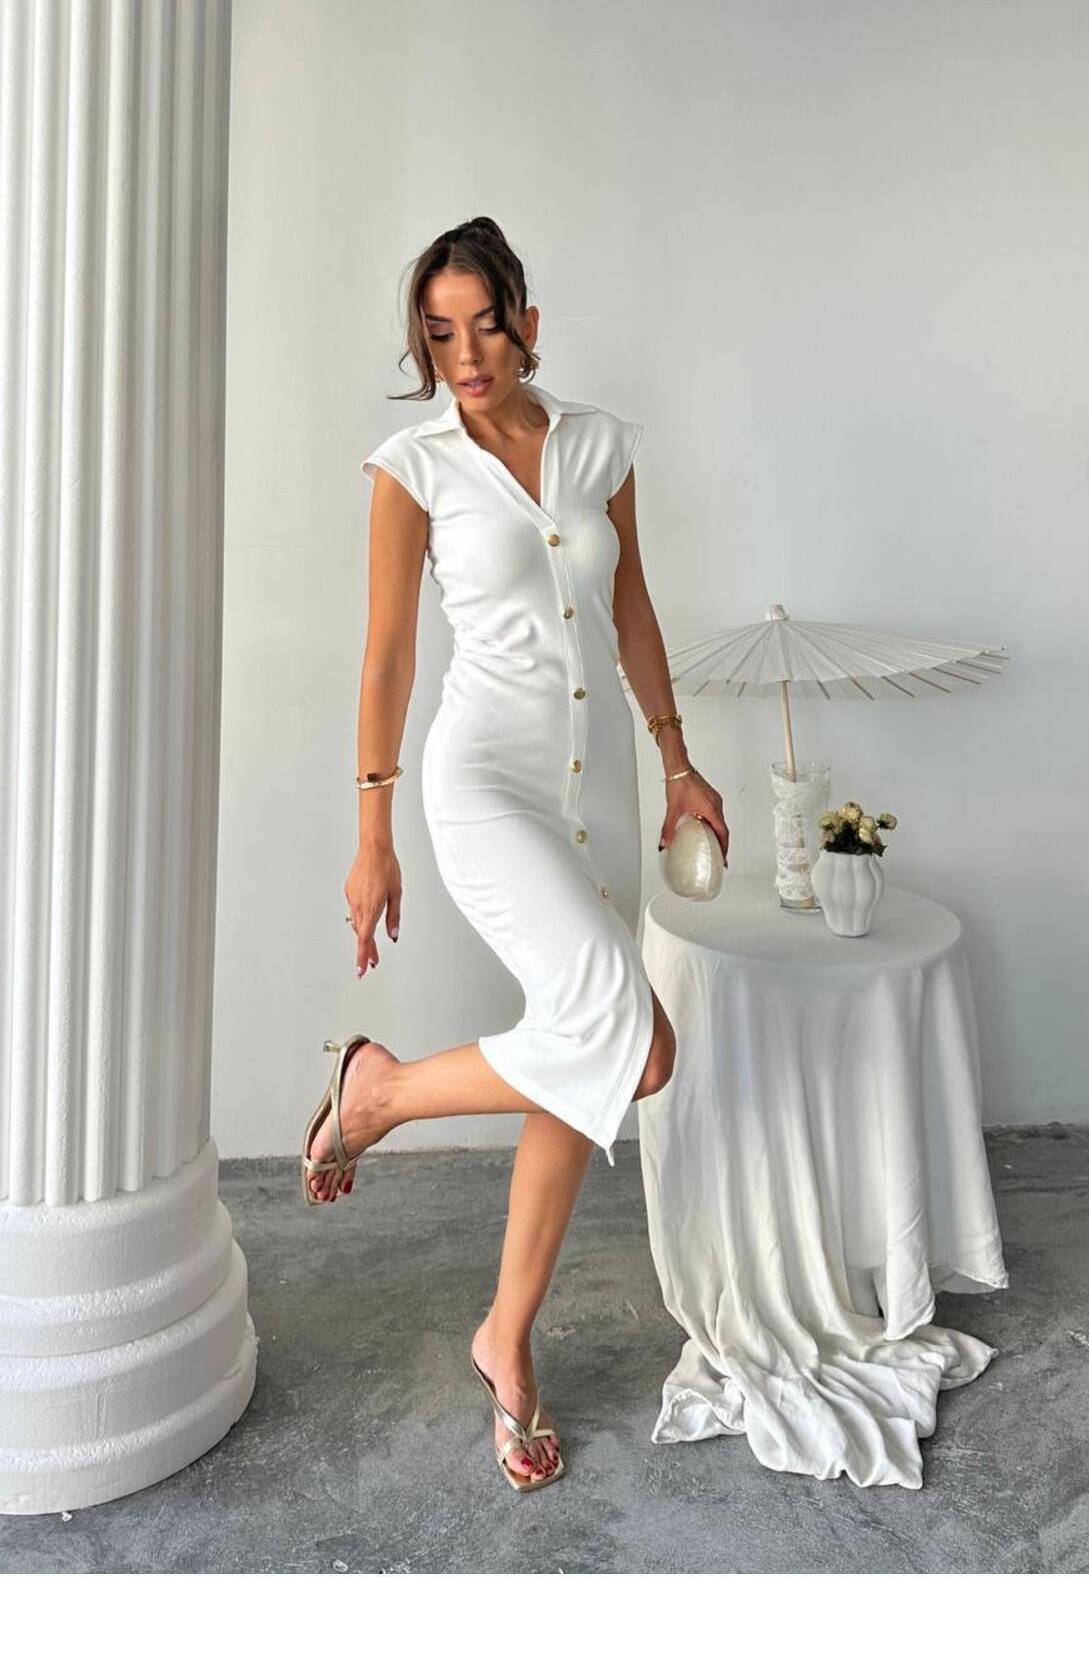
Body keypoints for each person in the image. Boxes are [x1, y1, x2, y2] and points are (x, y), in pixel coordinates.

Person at [301, 218, 730, 1491]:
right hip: (482, 785)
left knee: (579, 1047)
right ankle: (374, 1096)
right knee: (637, 1047)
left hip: (594, 795)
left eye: (486, 324)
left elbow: (631, 606)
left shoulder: (598, 446)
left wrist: (680, 760)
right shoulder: (414, 466)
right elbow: (388, 655)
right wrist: (371, 831)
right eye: (441, 333)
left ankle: (506, 1336)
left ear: (526, 321)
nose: (468, 353)